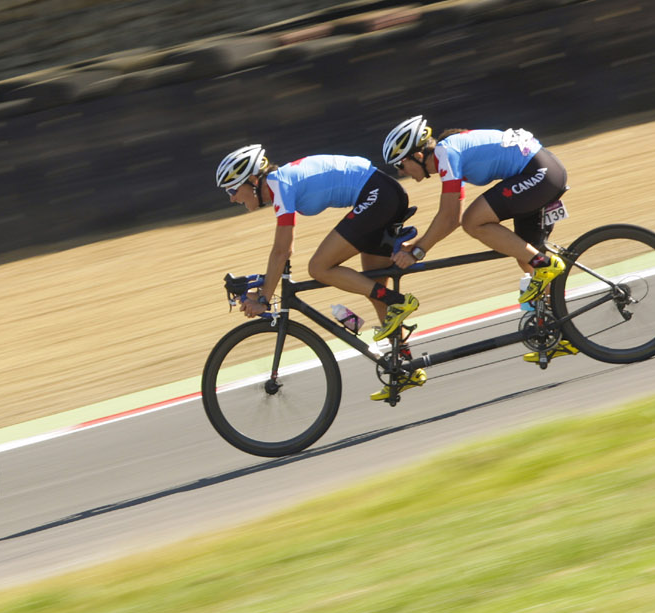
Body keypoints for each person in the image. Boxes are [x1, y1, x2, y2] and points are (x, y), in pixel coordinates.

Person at [215, 143, 427, 400]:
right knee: (372, 288)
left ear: (252, 179)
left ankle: (398, 302)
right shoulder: (280, 184)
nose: (231, 198)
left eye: (233, 189)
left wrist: (263, 299)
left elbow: (282, 250)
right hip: (381, 193)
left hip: (378, 194)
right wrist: (264, 291)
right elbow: (281, 251)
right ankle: (404, 367)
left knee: (319, 267)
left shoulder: (279, 184)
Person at [381, 115, 578, 362]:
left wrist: (417, 251)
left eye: (400, 164)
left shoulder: (446, 153)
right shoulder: (450, 153)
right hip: (542, 170)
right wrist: (419, 246)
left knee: (474, 222)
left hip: (539, 173)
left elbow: (452, 217)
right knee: (525, 254)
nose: (401, 172)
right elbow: (451, 211)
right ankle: (565, 334)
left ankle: (546, 265)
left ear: (418, 156)